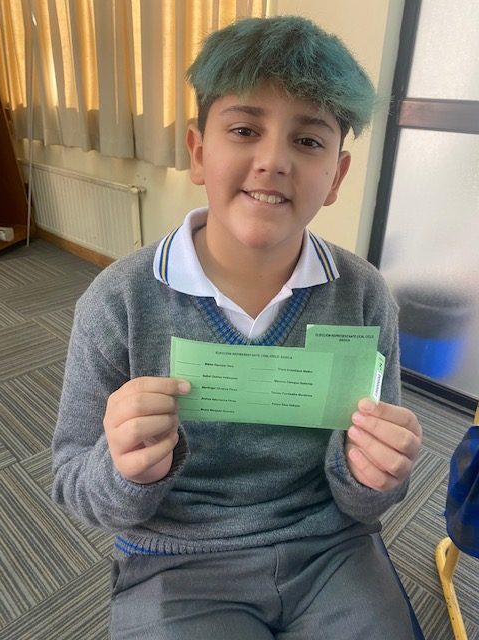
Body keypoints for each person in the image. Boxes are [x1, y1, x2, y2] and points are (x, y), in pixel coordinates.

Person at [51, 15, 422, 640]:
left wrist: (378, 476)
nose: (273, 161)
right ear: (199, 152)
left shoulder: (364, 297)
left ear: (336, 177)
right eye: (245, 130)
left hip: (331, 549)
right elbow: (70, 481)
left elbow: (372, 495)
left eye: (308, 140)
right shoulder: (118, 302)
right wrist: (124, 469)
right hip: (176, 559)